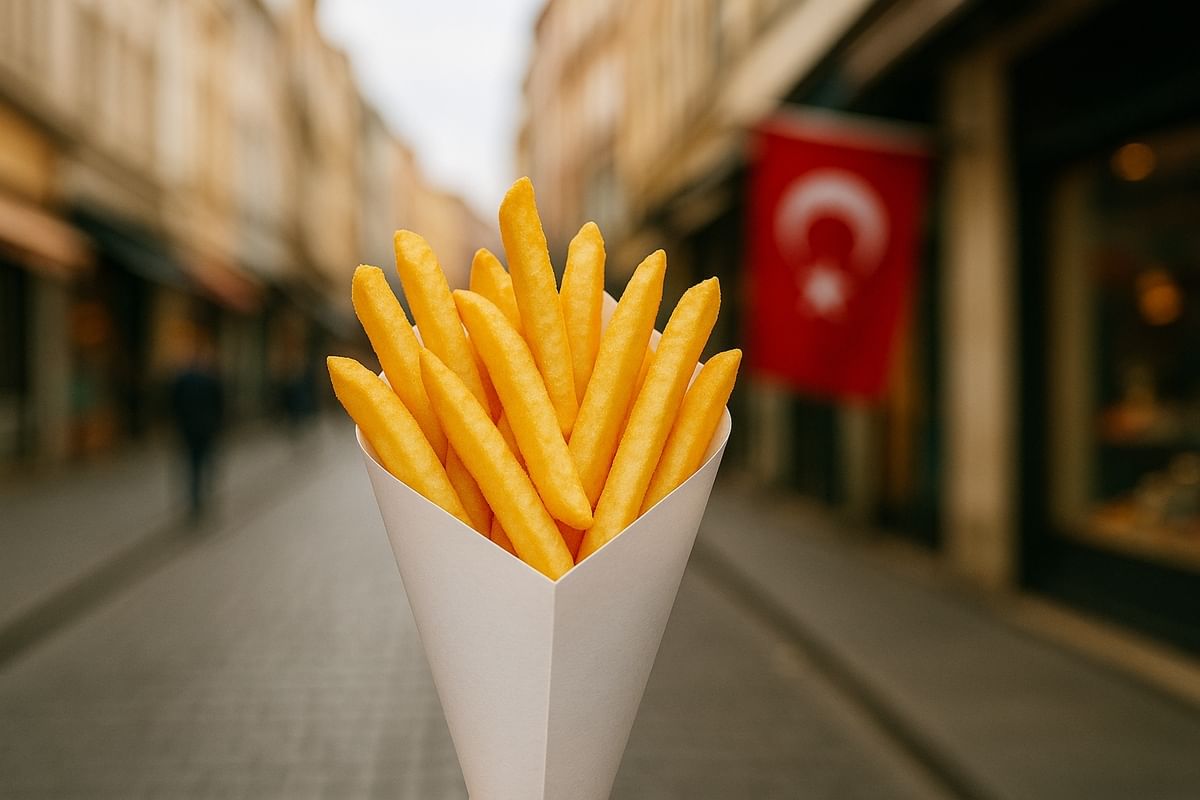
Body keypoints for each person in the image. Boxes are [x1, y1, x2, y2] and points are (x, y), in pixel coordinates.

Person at [170, 332, 224, 521]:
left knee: (192, 463)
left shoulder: (182, 379)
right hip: (206, 428)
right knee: (204, 462)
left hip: (188, 428)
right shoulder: (211, 379)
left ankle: (194, 498)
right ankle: (201, 496)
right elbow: (219, 405)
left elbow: (174, 403)